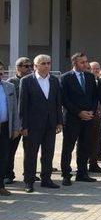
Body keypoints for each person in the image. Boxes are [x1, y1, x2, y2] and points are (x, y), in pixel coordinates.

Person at [19, 54, 63, 193]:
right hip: (32, 125)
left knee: (48, 153)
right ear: (35, 66)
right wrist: (23, 126)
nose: (46, 65)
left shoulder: (55, 80)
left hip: (50, 124)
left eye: (48, 63)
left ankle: (46, 179)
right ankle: (29, 181)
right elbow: (23, 105)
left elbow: (58, 103)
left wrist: (59, 122)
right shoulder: (27, 81)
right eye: (43, 63)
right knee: (31, 154)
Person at [60, 52, 99, 185]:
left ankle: (82, 173)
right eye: (82, 62)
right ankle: (66, 174)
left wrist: (91, 111)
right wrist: (79, 112)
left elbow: (95, 96)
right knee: (68, 147)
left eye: (86, 61)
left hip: (88, 118)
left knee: (84, 146)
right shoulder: (65, 78)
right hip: (72, 118)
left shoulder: (89, 77)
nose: (85, 64)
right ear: (74, 63)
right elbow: (65, 99)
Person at [5, 57, 32, 184]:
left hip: (29, 122)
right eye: (26, 66)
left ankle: (29, 174)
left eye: (30, 66)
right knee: (10, 151)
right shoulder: (11, 82)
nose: (29, 68)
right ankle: (8, 174)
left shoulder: (32, 81)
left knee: (30, 150)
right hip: (15, 123)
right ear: (18, 67)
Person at [0, 62, 21, 196]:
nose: (0, 72)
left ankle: (0, 186)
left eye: (1, 69)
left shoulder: (9, 86)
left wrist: (15, 128)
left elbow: (14, 109)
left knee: (3, 158)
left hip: (5, 128)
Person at [87, 61, 101, 173]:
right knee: (85, 141)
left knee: (97, 140)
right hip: (87, 115)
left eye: (98, 69)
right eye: (94, 69)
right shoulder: (87, 81)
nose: (96, 71)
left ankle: (94, 161)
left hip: (99, 115)